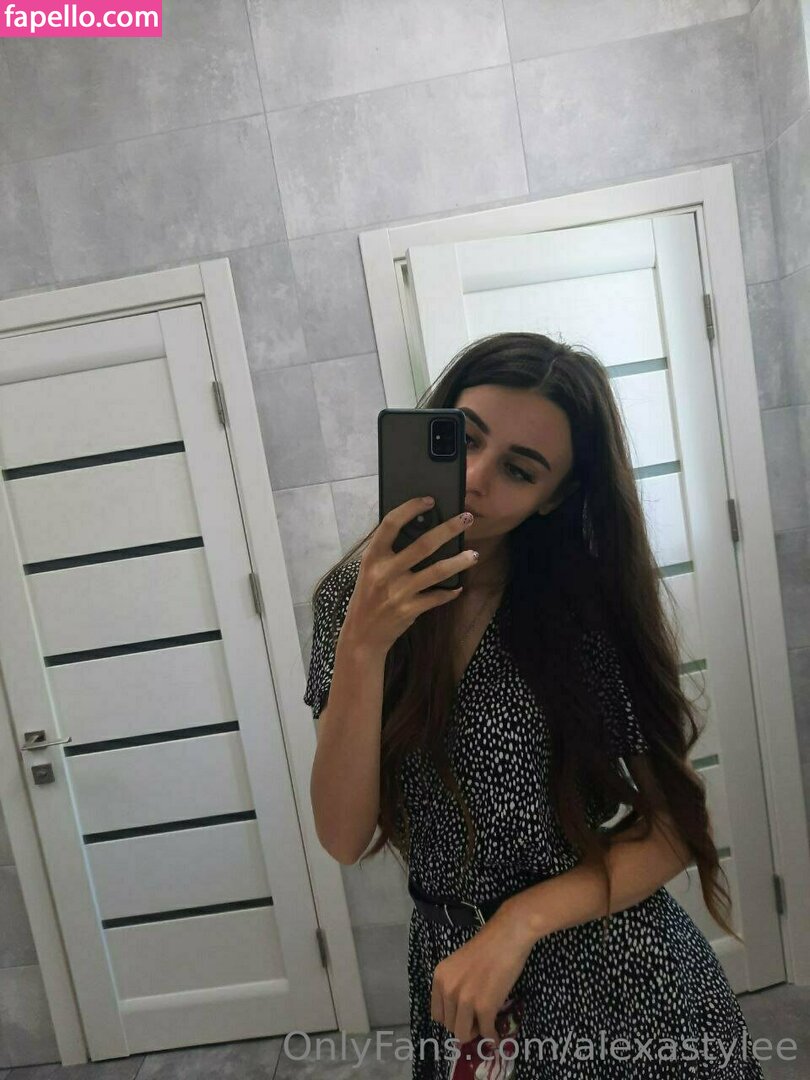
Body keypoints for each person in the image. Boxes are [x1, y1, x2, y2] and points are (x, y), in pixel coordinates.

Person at [307, 332, 765, 1078]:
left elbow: (675, 828)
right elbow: (342, 835)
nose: (475, 479)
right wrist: (363, 645)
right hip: (459, 982)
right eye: (465, 439)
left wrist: (518, 923)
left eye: (518, 470)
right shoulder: (347, 603)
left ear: (553, 497)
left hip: (621, 979)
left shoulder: (583, 610)